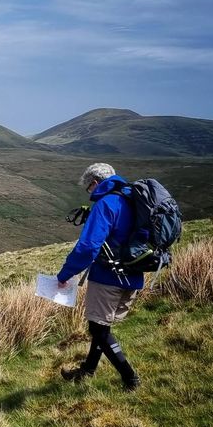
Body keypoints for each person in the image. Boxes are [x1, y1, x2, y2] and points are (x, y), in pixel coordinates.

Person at [56, 163, 143, 391]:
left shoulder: (106, 204)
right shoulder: (131, 199)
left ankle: (130, 378)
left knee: (98, 330)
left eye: (89, 188)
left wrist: (65, 274)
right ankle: (88, 370)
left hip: (109, 277)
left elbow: (87, 247)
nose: (90, 193)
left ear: (95, 182)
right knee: (101, 327)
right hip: (133, 275)